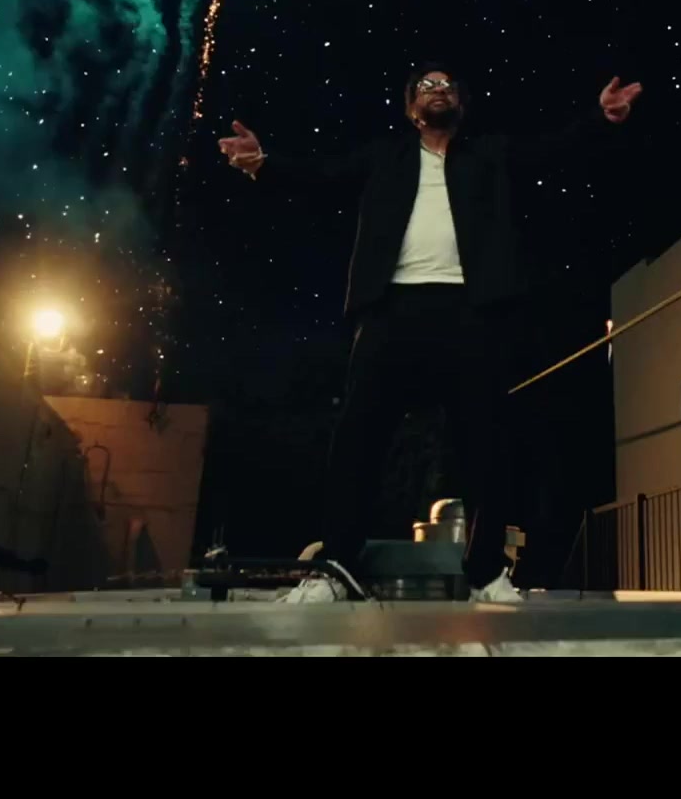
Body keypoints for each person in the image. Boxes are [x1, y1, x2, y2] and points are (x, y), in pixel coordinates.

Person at [220, 63, 642, 602]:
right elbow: (322, 176)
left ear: (460, 104)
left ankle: (486, 572)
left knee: (486, 443)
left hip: (470, 311)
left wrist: (601, 118)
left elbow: (550, 150)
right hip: (391, 310)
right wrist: (264, 162)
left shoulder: (487, 154)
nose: (437, 91)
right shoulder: (385, 157)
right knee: (357, 439)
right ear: (410, 109)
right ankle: (335, 569)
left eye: (446, 86)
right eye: (425, 86)